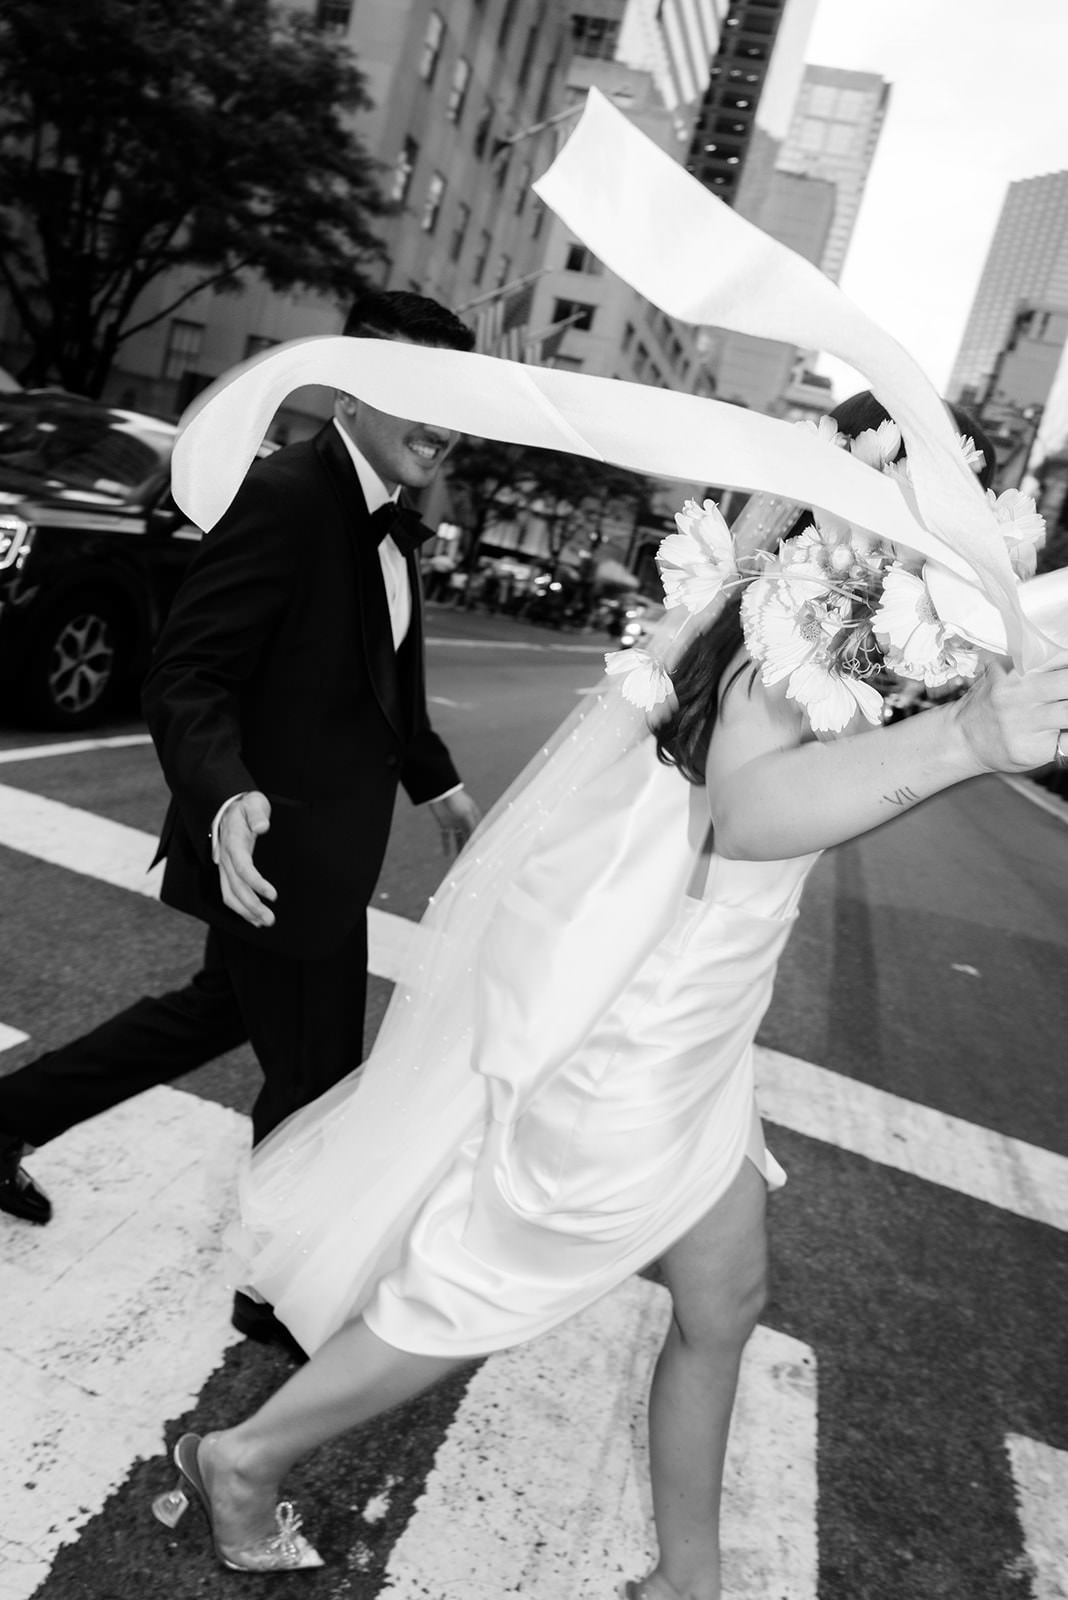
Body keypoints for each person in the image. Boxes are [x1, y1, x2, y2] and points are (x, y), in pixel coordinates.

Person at [147, 390, 1068, 1595]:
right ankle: (244, 1456)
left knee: (724, 1297)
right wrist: (962, 744)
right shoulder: (799, 617)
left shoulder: (811, 609)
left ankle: (688, 1582)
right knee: (478, 1286)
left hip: (699, 1031)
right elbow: (753, 814)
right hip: (638, 1038)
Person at [0, 293, 482, 1341]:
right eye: (416, 390)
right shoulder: (289, 498)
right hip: (272, 850)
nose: (440, 420)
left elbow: (385, 678)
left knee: (214, 1013)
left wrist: (437, 783)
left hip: (318, 848)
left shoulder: (387, 512)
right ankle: (280, 1286)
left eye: (455, 396)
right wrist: (222, 793)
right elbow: (188, 673)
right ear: (347, 390)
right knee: (317, 1082)